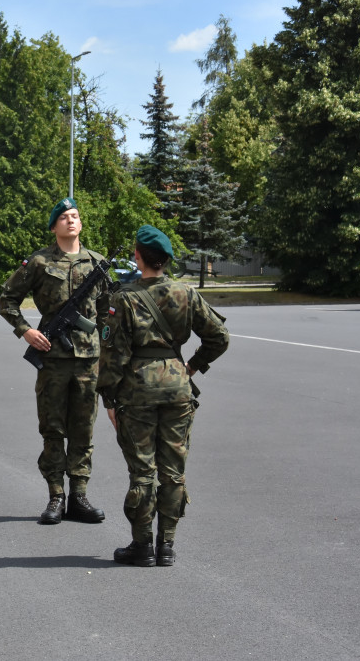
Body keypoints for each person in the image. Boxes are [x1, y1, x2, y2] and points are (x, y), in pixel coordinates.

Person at [97, 225, 229, 567]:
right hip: (177, 387)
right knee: (173, 471)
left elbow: (114, 356)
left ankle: (142, 546)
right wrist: (192, 367)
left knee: (142, 471)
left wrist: (109, 400)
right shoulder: (186, 293)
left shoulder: (123, 298)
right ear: (166, 259)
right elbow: (219, 337)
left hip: (137, 390)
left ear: (138, 256)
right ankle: (167, 545)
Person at [0, 197, 110, 525]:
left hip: (89, 361)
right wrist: (25, 332)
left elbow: (107, 313)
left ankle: (79, 495)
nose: (71, 220)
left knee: (84, 428)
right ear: (54, 226)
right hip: (53, 358)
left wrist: (109, 351)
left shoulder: (97, 263)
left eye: (75, 215)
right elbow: (7, 301)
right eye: (64, 217)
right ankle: (56, 495)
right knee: (52, 428)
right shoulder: (39, 262)